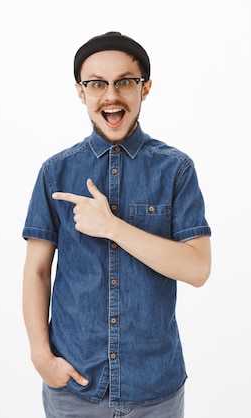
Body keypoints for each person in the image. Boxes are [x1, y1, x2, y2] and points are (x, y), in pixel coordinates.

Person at [21, 31, 212, 418]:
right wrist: (41, 357)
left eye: (125, 81)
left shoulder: (176, 170)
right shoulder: (55, 172)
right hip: (74, 388)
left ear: (145, 88)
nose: (111, 95)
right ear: (81, 92)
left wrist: (112, 226)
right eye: (97, 83)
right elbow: (37, 272)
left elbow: (197, 268)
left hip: (155, 389)